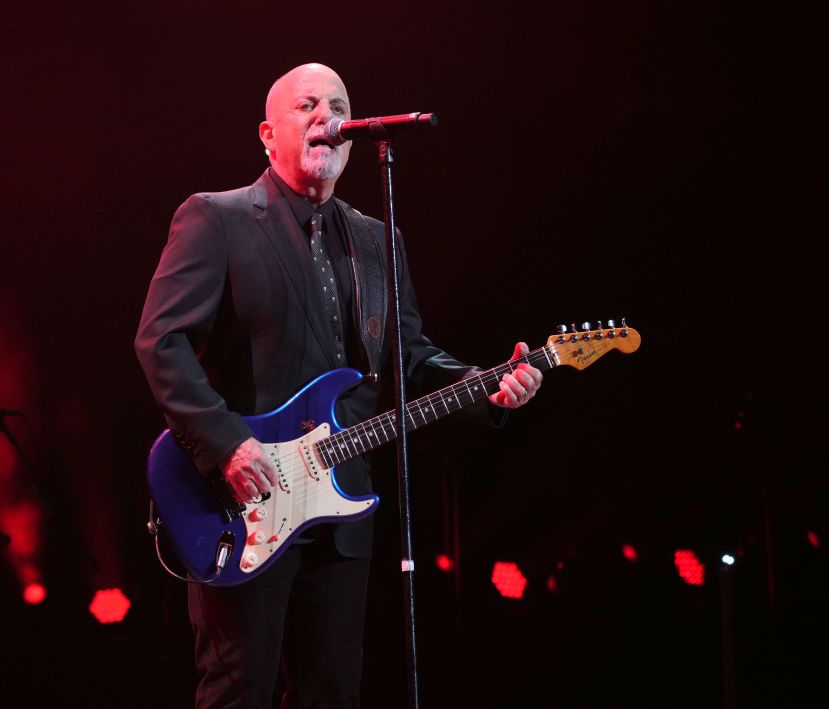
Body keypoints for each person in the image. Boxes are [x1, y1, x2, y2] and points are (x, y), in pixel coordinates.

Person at [135, 62, 542, 708]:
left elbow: (409, 357)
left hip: (342, 508)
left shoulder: (378, 240)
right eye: (308, 106)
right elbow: (160, 341)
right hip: (244, 502)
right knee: (240, 690)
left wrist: (483, 383)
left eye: (340, 105)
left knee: (332, 692)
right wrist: (227, 445)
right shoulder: (218, 219)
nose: (328, 116)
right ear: (268, 135)